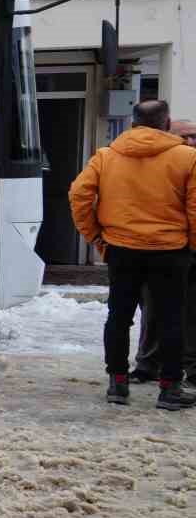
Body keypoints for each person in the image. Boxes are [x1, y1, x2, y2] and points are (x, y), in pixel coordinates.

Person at [69, 99, 196, 410]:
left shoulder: (107, 156)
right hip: (170, 251)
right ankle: (169, 389)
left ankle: (118, 385)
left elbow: (79, 195)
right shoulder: (188, 158)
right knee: (171, 319)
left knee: (118, 318)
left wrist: (96, 237)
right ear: (166, 124)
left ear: (134, 124)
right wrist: (191, 245)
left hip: (121, 250)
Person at [130, 118, 196, 385]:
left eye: (194, 136)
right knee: (153, 310)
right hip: (162, 248)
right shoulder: (160, 168)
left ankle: (191, 366)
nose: (191, 141)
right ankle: (148, 363)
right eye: (185, 136)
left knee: (191, 312)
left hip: (189, 248)